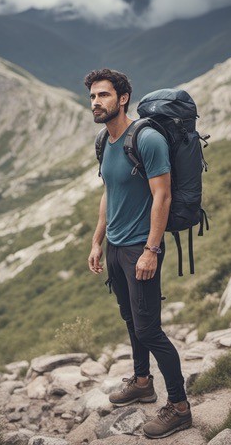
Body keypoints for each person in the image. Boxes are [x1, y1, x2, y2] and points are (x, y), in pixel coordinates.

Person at [85, 68, 192, 439]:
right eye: (93, 97)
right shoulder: (105, 141)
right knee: (131, 320)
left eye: (103, 95)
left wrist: (151, 250)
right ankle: (143, 381)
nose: (96, 103)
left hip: (140, 249)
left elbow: (161, 195)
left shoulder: (145, 139)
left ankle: (179, 407)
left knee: (149, 329)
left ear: (123, 98)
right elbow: (109, 192)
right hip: (116, 247)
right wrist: (98, 241)